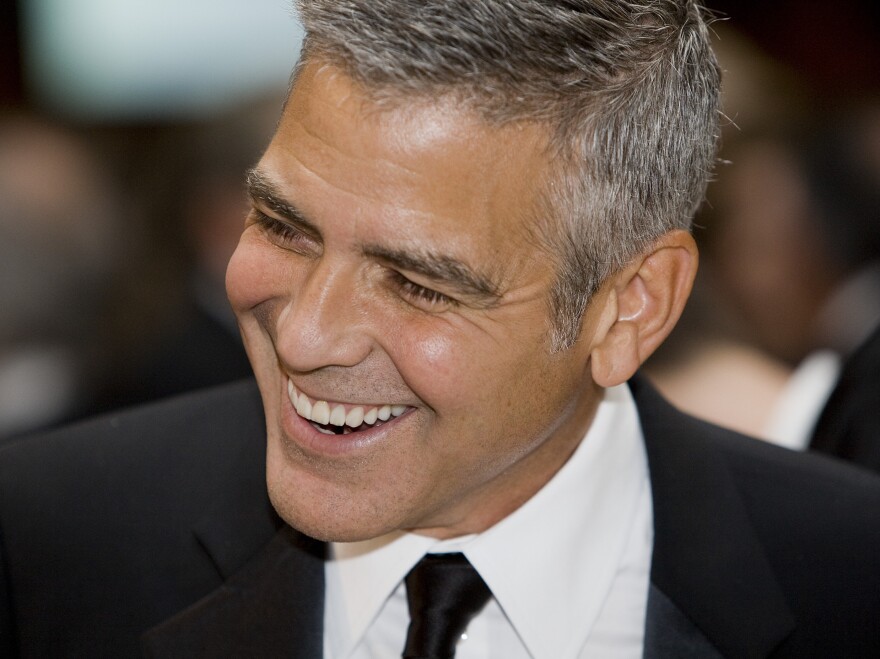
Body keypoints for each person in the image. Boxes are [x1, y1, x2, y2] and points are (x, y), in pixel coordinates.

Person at [0, 2, 878, 658]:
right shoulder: (47, 544)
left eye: (418, 284)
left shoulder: (849, 580)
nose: (306, 335)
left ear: (630, 307)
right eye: (283, 228)